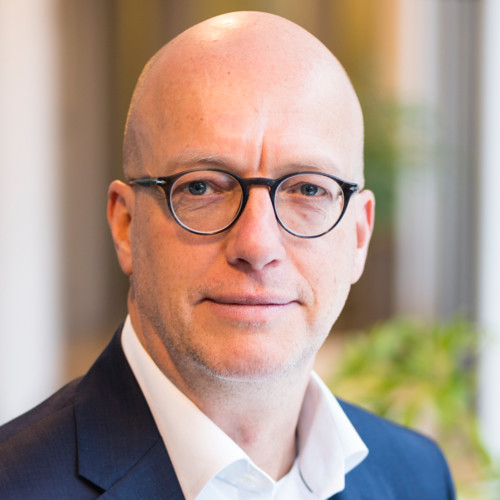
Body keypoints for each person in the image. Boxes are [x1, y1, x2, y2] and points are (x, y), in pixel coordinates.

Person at [0, 11, 455, 499]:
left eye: (307, 189)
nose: (257, 246)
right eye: (201, 187)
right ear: (126, 226)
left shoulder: (418, 477)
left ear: (358, 236)